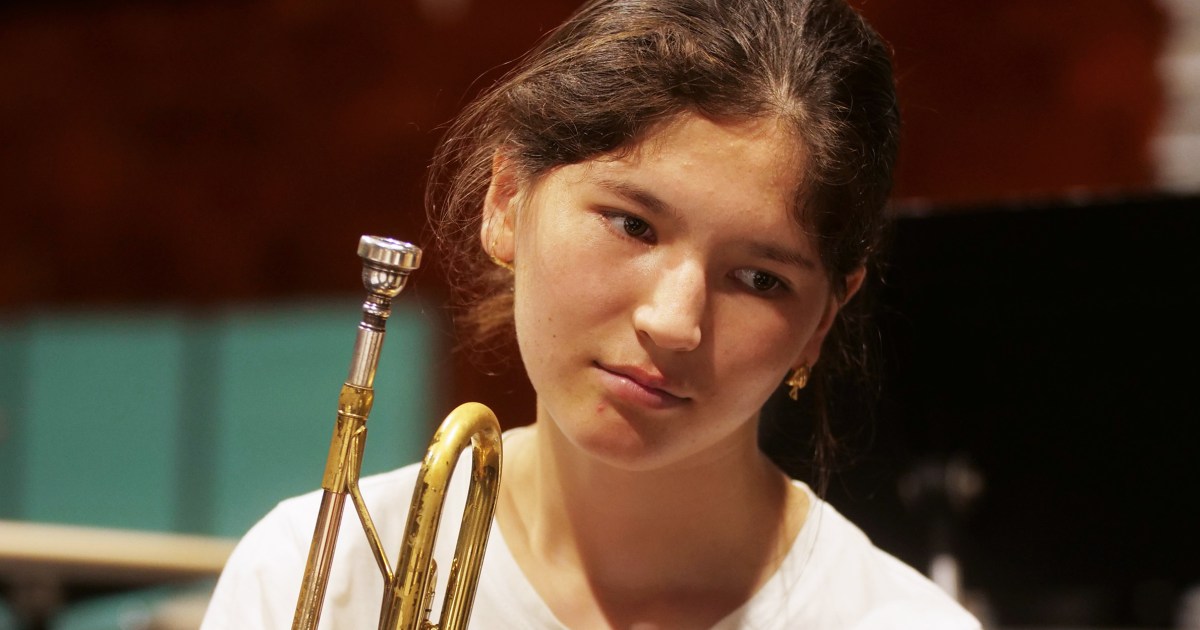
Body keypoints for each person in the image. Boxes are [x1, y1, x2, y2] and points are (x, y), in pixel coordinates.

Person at [202, 0, 981, 628]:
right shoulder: (312, 576)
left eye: (758, 277)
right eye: (632, 225)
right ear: (507, 199)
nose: (675, 322)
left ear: (823, 319)